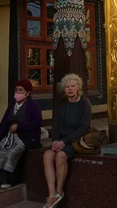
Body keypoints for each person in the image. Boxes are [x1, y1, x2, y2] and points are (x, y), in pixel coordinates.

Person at [0, 79, 43, 189]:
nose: (18, 92)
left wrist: (19, 127)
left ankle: (9, 181)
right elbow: (4, 122)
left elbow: (38, 122)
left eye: (21, 90)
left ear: (27, 93)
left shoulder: (33, 105)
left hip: (26, 137)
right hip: (10, 136)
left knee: (10, 153)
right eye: (17, 90)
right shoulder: (12, 105)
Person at [43, 74, 91, 208]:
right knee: (47, 155)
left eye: (73, 86)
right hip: (61, 140)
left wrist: (64, 141)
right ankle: (52, 194)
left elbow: (84, 127)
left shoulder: (84, 103)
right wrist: (55, 141)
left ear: (78, 87)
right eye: (67, 86)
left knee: (60, 156)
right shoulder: (62, 105)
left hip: (74, 140)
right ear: (64, 90)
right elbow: (56, 126)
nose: (70, 89)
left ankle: (59, 192)